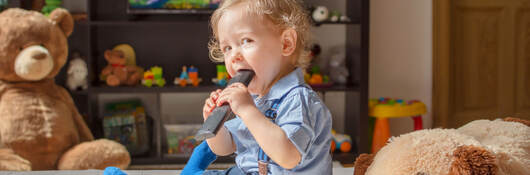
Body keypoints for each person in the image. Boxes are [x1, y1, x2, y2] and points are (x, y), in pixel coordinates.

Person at [184, 0, 333, 174]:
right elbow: (225, 147)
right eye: (227, 48)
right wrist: (216, 126)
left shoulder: (299, 100)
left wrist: (248, 111)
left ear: (286, 44)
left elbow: (288, 157)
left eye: (246, 40)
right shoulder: (256, 99)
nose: (234, 56)